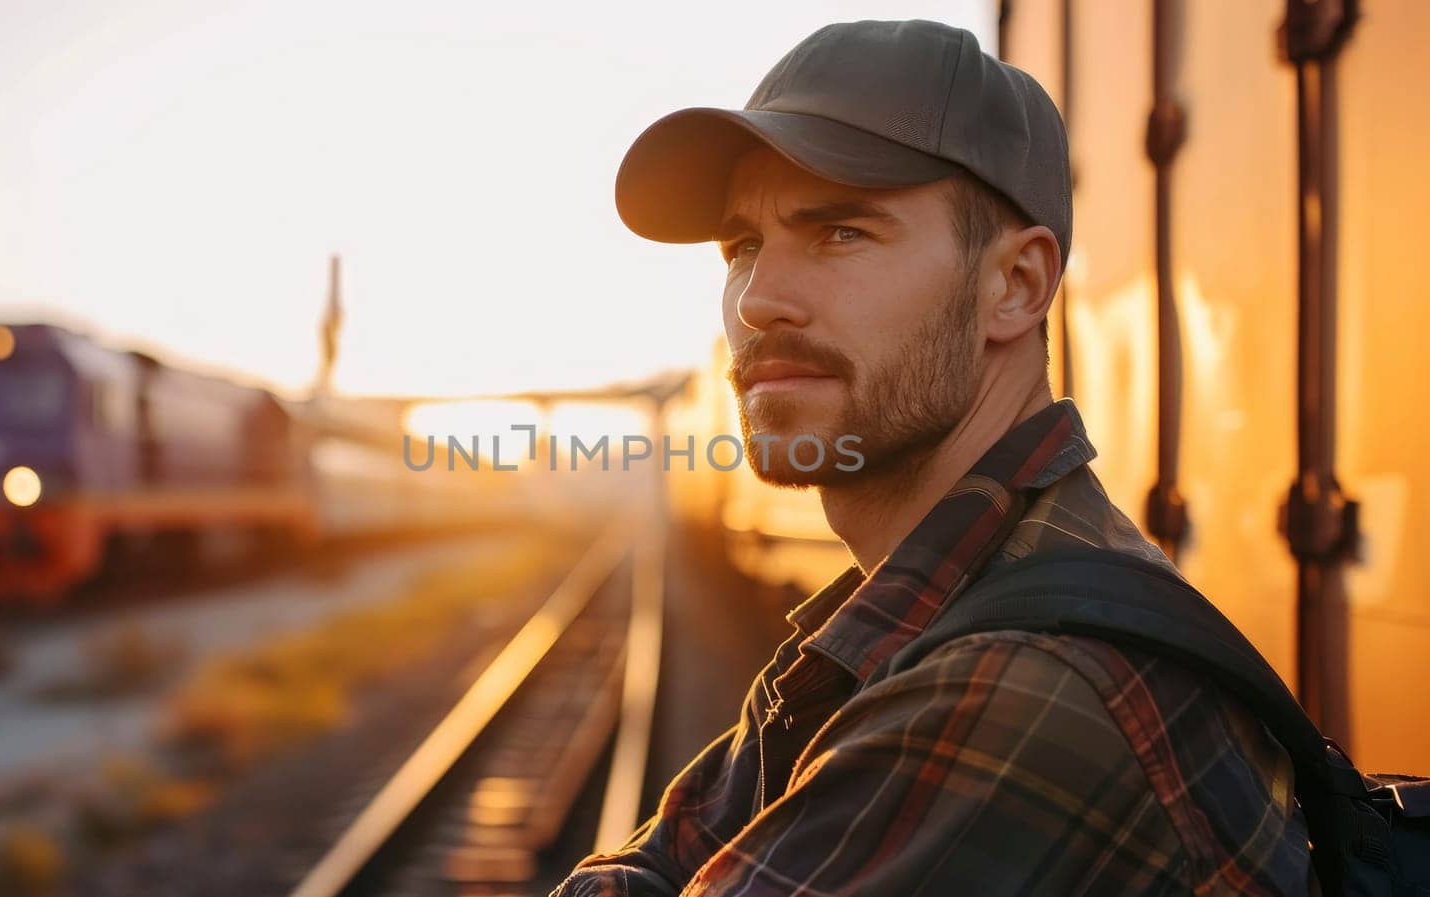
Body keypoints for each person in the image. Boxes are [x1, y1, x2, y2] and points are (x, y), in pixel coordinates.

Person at [551, 19, 1315, 896]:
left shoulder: (1027, 685)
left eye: (840, 232)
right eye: (743, 248)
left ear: (1015, 287)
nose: (758, 300)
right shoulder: (908, 622)